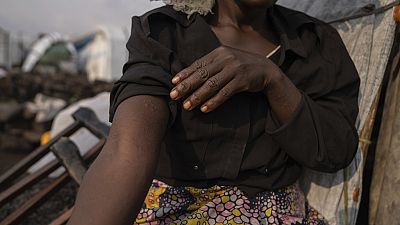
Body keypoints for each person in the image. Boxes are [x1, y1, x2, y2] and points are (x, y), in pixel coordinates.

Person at [67, 0, 360, 224]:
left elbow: (335, 151)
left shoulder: (316, 44)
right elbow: (126, 152)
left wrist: (274, 80)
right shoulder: (164, 33)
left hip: (275, 213)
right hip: (172, 207)